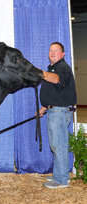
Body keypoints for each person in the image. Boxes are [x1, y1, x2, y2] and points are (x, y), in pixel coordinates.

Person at [38, 42, 77, 189]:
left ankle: (62, 180)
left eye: (56, 50)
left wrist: (40, 73)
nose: (52, 53)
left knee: (58, 145)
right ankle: (59, 174)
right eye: (50, 50)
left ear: (63, 54)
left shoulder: (62, 68)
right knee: (56, 144)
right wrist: (43, 108)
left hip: (59, 112)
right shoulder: (54, 68)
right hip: (55, 110)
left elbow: (56, 79)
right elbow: (56, 93)